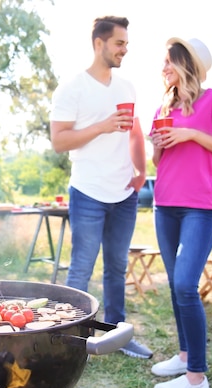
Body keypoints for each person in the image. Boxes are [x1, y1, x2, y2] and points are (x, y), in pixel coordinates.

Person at [49, 16, 152, 359]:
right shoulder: (72, 88)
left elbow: (136, 133)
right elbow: (59, 141)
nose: (125, 49)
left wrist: (141, 171)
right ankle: (70, 339)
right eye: (119, 43)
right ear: (99, 43)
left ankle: (117, 334)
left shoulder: (127, 87)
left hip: (123, 193)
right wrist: (102, 126)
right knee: (81, 267)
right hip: (89, 191)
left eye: (126, 43)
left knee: (117, 268)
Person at [149, 38, 212, 388]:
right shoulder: (163, 105)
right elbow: (160, 162)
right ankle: (185, 354)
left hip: (200, 208)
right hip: (165, 205)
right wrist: (157, 144)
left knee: (186, 284)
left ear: (186, 63)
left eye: (169, 61)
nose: (164, 68)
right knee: (175, 284)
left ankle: (196, 378)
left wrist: (192, 134)